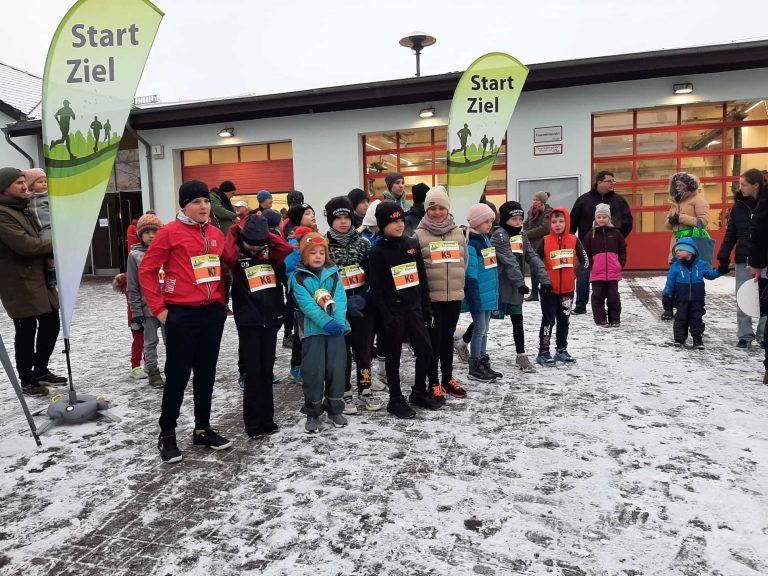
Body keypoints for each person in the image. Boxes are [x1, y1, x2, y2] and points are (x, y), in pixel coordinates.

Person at [139, 180, 232, 464]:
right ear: (184, 206)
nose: (203, 207)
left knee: (206, 373)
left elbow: (222, 267)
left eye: (206, 201)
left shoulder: (215, 233)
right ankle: (167, 433)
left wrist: (221, 303)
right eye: (196, 202)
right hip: (181, 314)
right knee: (178, 375)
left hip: (211, 313)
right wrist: (160, 310)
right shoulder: (169, 232)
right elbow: (147, 270)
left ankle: (202, 429)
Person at [223, 214, 293, 437]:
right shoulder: (237, 256)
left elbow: (287, 248)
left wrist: (267, 237)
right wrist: (234, 231)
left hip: (271, 319)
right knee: (253, 373)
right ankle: (252, 423)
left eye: (258, 243)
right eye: (250, 243)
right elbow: (226, 255)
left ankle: (267, 419)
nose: (254, 248)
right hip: (248, 321)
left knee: (267, 370)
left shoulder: (271, 253)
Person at [0, 167, 65, 396]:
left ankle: (40, 369)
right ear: (4, 187)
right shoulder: (3, 213)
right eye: (18, 183)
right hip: (19, 283)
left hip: (40, 278)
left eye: (24, 181)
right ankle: (27, 379)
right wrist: (58, 243)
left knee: (51, 323)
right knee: (26, 330)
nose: (24, 186)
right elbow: (25, 245)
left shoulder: (23, 207)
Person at [369, 201, 435, 417]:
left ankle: (419, 391)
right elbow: (376, 288)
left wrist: (426, 305)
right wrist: (385, 314)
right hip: (393, 313)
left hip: (414, 309)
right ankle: (395, 399)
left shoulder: (412, 244)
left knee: (425, 350)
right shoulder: (378, 252)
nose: (399, 225)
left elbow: (422, 277)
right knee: (393, 357)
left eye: (401, 220)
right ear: (382, 225)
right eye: (393, 221)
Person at [324, 196, 380, 414]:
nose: (343, 222)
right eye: (338, 218)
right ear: (330, 220)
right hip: (338, 309)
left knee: (364, 350)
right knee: (343, 352)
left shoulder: (363, 243)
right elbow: (321, 280)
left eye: (347, 217)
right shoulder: (323, 245)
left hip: (363, 307)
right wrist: (341, 302)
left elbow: (373, 275)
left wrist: (364, 297)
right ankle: (344, 390)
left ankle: (365, 388)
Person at [289, 232, 350, 433]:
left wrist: (338, 322)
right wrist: (326, 322)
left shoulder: (334, 273)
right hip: (312, 331)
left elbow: (340, 299)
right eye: (313, 252)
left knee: (336, 370)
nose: (318, 256)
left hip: (336, 331)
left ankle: (335, 408)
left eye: (321, 253)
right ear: (304, 255)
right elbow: (307, 305)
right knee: (314, 372)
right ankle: (313, 411)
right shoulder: (298, 277)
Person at [414, 186, 468, 400]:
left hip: (453, 296)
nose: (437, 212)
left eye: (441, 208)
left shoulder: (458, 233)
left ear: (448, 209)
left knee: (447, 340)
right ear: (426, 210)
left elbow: (464, 262)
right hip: (432, 299)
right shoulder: (418, 235)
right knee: (433, 343)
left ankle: (447, 378)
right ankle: (434, 381)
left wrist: (457, 284)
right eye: (432, 208)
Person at [491, 201, 551, 372]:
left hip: (516, 288)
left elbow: (532, 256)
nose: (518, 222)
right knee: (486, 319)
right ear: (504, 219)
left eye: (520, 219)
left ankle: (521, 355)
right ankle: (463, 342)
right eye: (514, 219)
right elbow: (509, 261)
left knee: (518, 320)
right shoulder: (499, 236)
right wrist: (520, 283)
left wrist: (544, 279)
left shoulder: (522, 236)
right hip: (501, 285)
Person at [570, 171, 632, 314]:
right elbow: (572, 222)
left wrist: (617, 238)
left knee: (608, 277)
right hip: (586, 246)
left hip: (610, 248)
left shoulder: (619, 201)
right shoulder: (584, 200)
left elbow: (628, 222)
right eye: (609, 181)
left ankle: (609, 304)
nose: (613, 183)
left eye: (613, 181)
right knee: (583, 273)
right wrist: (571, 241)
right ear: (599, 182)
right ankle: (580, 305)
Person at [718, 169, 766, 348]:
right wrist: (723, 256)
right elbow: (730, 234)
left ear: (756, 185)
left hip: (764, 258)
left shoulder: (765, 205)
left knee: (765, 298)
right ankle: (745, 335)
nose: (741, 188)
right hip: (743, 258)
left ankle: (763, 335)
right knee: (743, 297)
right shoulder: (738, 207)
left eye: (744, 184)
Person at [535, 208, 589, 366]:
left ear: (567, 222)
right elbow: (535, 262)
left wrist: (574, 274)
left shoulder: (574, 240)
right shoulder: (545, 240)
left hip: (567, 290)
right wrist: (544, 278)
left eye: (561, 221)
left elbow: (585, 261)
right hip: (548, 290)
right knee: (548, 321)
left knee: (564, 321)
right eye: (554, 222)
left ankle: (561, 350)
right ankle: (543, 352)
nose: (557, 224)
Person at [662, 237, 724, 349]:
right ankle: (679, 340)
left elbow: (710, 275)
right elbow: (669, 283)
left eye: (680, 250)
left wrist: (721, 270)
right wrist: (667, 295)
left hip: (697, 299)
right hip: (681, 299)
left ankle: (697, 340)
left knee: (696, 320)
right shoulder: (675, 266)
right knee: (680, 319)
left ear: (690, 251)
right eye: (676, 251)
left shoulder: (701, 265)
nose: (677, 252)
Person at [127, 213, 165, 387]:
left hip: (167, 306)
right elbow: (132, 285)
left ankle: (172, 368)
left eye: (154, 232)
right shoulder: (134, 256)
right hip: (147, 307)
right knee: (150, 342)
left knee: (172, 340)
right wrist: (136, 310)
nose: (151, 235)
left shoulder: (166, 251)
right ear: (140, 234)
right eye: (147, 232)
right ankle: (152, 370)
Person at [464, 203, 501, 381]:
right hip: (479, 296)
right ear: (476, 222)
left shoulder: (486, 240)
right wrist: (474, 298)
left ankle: (483, 360)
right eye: (486, 221)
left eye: (491, 221)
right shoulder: (472, 244)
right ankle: (474, 365)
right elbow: (470, 275)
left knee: (485, 330)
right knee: (479, 330)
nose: (490, 224)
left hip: (488, 295)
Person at [582, 204, 627, 327]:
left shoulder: (616, 234)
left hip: (613, 272)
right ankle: (600, 319)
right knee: (598, 297)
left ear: (609, 218)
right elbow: (585, 251)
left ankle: (615, 319)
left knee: (614, 297)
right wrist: (590, 265)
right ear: (595, 218)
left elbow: (623, 249)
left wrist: (620, 263)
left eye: (604, 217)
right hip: (597, 272)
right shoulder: (590, 235)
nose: (601, 219)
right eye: (599, 217)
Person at [664, 172, 710, 263]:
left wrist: (681, 218)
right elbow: (667, 226)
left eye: (680, 185)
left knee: (692, 269)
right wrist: (670, 221)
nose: (677, 188)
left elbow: (703, 222)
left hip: (692, 242)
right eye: (676, 185)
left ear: (689, 186)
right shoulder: (675, 203)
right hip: (676, 243)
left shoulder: (698, 201)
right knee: (676, 268)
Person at [112, 272, 146, 380]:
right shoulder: (131, 282)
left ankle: (148, 364)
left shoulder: (133, 278)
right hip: (136, 317)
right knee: (139, 342)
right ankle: (135, 367)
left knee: (147, 342)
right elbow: (134, 299)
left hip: (144, 314)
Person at [523, 191, 552, 301]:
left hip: (544, 244)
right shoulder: (531, 211)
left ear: (542, 201)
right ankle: (534, 293)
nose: (534, 202)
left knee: (543, 268)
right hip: (532, 244)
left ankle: (545, 290)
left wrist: (527, 234)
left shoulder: (549, 212)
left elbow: (545, 228)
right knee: (533, 268)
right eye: (534, 199)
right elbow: (525, 223)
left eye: (537, 200)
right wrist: (526, 231)